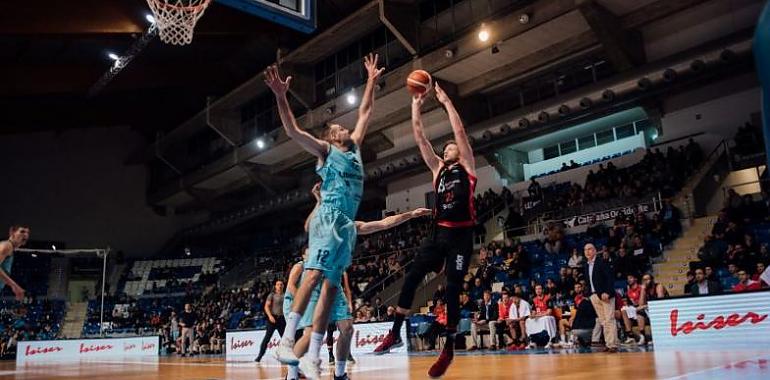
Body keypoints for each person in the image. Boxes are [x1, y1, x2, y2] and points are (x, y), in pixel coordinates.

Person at [266, 53, 384, 378]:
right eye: (337, 127)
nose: (344, 128)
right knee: (315, 276)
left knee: (332, 289)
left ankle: (313, 356)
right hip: (328, 218)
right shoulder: (325, 150)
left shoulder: (356, 149)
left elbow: (366, 111)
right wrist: (280, 97)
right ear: (332, 137)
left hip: (345, 224)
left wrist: (372, 80)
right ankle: (288, 339)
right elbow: (292, 131)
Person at [373, 82, 477, 378]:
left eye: (451, 147)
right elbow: (420, 138)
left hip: (461, 236)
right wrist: (415, 106)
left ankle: (448, 349)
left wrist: (445, 101)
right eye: (445, 148)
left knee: (454, 289)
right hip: (438, 233)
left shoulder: (467, 167)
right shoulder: (438, 170)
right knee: (412, 276)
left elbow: (459, 131)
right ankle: (394, 333)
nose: (448, 148)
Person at [289, 183, 430, 380]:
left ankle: (339, 374)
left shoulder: (352, 227)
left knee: (347, 329)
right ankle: (292, 374)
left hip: (333, 282)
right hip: (314, 282)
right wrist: (319, 199)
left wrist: (412, 214)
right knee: (308, 334)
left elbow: (384, 223)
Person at [583, 243, 618, 352]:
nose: (587, 252)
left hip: (605, 295)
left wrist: (607, 292)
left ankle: (613, 344)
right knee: (603, 321)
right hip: (594, 295)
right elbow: (589, 281)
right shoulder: (586, 265)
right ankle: (608, 344)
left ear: (594, 251)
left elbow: (610, 278)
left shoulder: (602, 262)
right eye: (585, 250)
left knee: (609, 319)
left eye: (589, 249)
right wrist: (589, 294)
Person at [255, 280, 286, 362]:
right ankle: (260, 356)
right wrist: (270, 316)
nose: (279, 286)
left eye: (281, 284)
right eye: (278, 284)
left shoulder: (286, 295)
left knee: (285, 339)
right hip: (272, 319)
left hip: (282, 319)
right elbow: (266, 306)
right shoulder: (272, 295)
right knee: (267, 338)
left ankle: (283, 356)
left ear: (283, 286)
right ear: (275, 286)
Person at [0, 225, 29, 300]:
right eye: (22, 231)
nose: (25, 234)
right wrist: (14, 286)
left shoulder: (10, 248)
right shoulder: (7, 246)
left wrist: (14, 286)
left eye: (27, 232)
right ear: (12, 232)